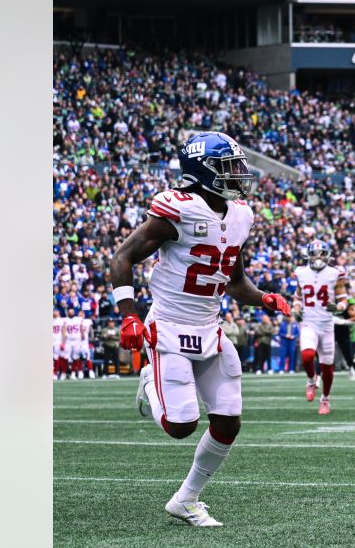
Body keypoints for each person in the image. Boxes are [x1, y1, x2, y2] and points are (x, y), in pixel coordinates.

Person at [112, 131, 290, 527]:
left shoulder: (240, 214)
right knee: (180, 427)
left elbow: (234, 280)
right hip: (169, 325)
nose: (237, 174)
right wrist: (128, 314)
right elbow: (122, 257)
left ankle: (186, 499)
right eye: (228, 167)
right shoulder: (178, 209)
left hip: (210, 327)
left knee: (228, 420)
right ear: (201, 171)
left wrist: (263, 298)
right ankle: (147, 381)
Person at [293, 239, 353, 415]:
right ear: (309, 255)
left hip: (327, 325)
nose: (319, 258)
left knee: (327, 367)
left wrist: (339, 307)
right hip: (309, 323)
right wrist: (296, 309)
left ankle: (325, 399)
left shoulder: (335, 273)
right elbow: (297, 298)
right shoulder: (301, 273)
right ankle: (311, 380)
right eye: (315, 254)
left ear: (327, 255)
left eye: (322, 254)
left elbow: (344, 299)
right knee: (307, 356)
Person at [52, 309, 67, 380]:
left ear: (58, 313)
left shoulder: (61, 321)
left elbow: (64, 332)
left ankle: (55, 373)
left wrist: (63, 343)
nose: (54, 313)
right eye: (53, 311)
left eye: (56, 311)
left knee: (56, 358)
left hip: (57, 342)